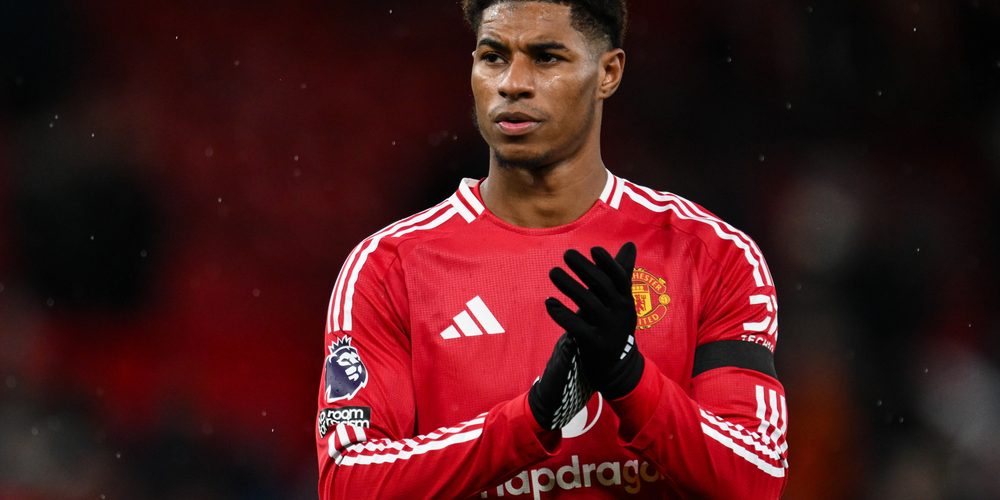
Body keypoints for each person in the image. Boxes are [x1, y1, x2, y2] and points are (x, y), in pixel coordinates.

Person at [315, 1, 788, 497]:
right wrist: (533, 418)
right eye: (493, 56)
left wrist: (629, 377)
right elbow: (349, 483)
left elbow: (756, 481)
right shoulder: (388, 267)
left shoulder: (711, 256)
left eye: (546, 57)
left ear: (608, 72)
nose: (512, 83)